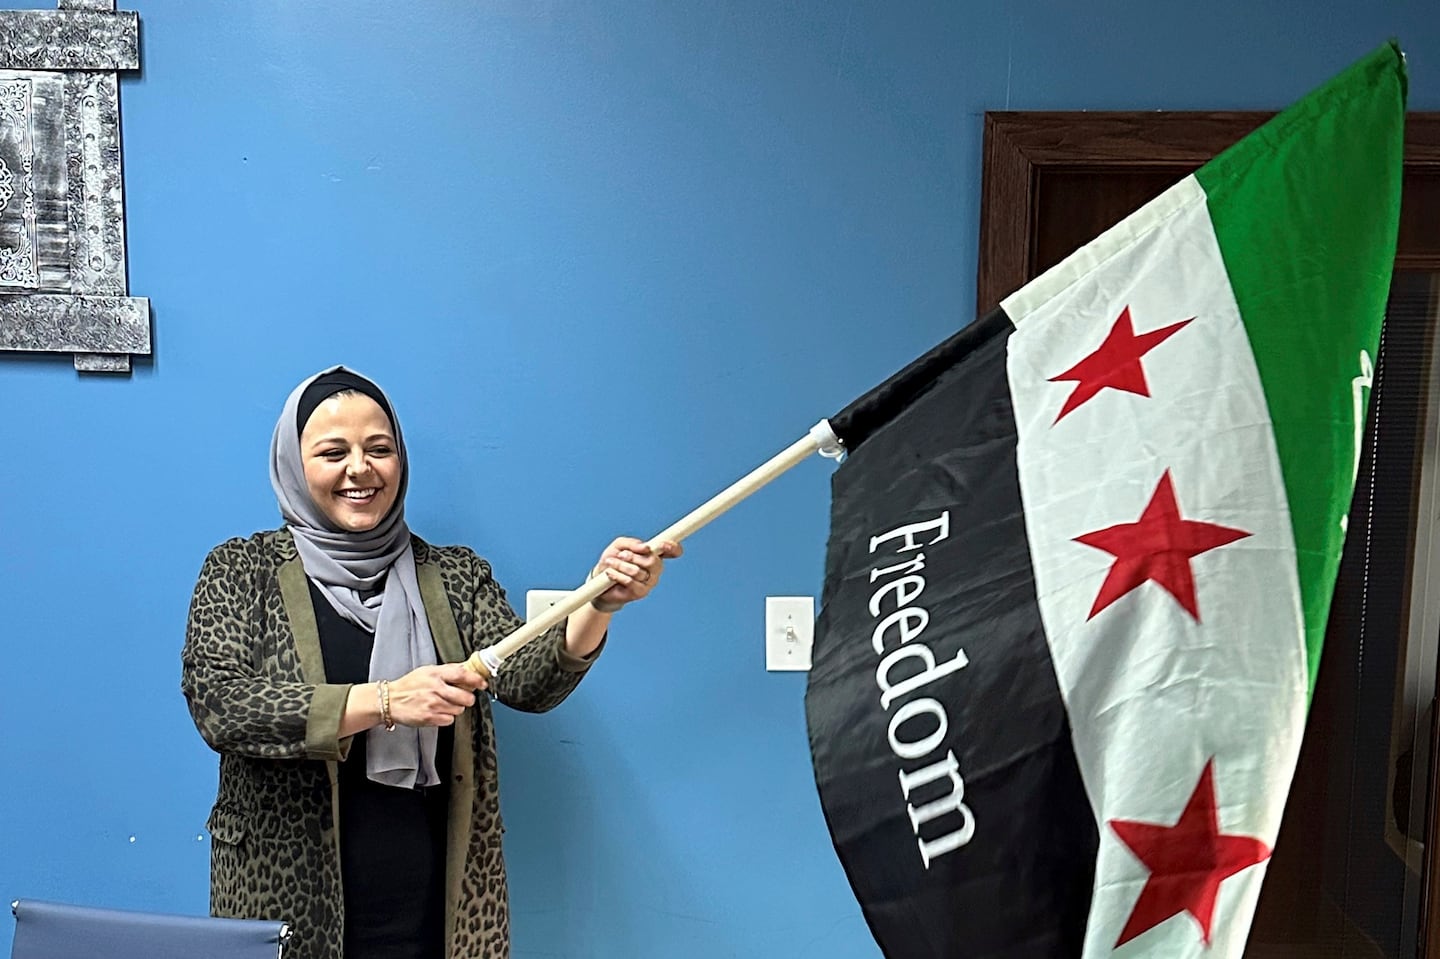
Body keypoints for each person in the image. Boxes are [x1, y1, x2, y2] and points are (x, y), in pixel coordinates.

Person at [181, 367, 679, 959]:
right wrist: (387, 700)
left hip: (437, 904)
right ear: (293, 463)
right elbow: (222, 706)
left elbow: (525, 679)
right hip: (286, 903)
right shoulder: (242, 569)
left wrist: (599, 603)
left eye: (380, 449)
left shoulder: (455, 574)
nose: (360, 469)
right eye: (333, 452)